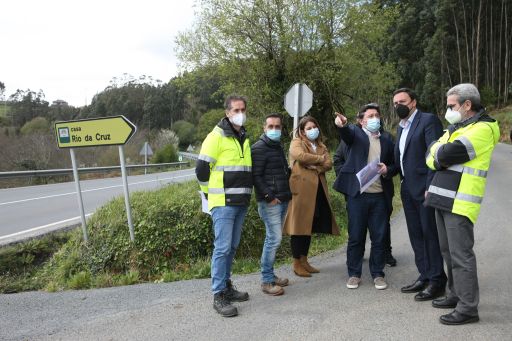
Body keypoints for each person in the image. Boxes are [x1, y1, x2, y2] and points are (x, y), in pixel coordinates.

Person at [425, 83, 500, 325]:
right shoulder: (457, 127)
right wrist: (438, 152)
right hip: (443, 197)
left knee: (461, 256)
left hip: (460, 201)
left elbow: (445, 154)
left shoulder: (484, 128)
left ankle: (468, 308)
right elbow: (430, 155)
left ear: (467, 105)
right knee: (448, 252)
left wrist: (439, 152)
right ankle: (455, 294)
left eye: (451, 106)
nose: (447, 110)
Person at [196, 95, 253, 317]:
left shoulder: (243, 137)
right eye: (236, 110)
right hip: (223, 203)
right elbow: (201, 170)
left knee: (231, 247)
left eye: (243, 109)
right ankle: (218, 294)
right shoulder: (216, 136)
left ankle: (227, 287)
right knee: (222, 248)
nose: (241, 113)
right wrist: (210, 196)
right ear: (227, 112)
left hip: (241, 202)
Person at [333, 103, 397, 290]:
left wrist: (388, 169)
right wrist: (342, 125)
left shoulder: (386, 139)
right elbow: (346, 133)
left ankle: (378, 274)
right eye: (370, 116)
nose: (375, 118)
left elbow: (395, 165)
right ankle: (354, 274)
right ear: (361, 121)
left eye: (377, 115)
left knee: (379, 237)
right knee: (356, 236)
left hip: (379, 196)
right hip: (358, 197)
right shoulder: (356, 135)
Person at [393, 88, 447, 301]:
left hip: (425, 188)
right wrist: (388, 169)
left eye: (402, 101)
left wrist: (430, 186)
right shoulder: (401, 127)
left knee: (429, 234)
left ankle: (437, 280)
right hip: (407, 188)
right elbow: (402, 158)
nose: (398, 105)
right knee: (416, 234)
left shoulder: (428, 120)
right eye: (395, 102)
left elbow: (434, 155)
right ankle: (424, 275)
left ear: (413, 102)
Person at [283, 116, 339, 277]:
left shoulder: (320, 145)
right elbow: (300, 156)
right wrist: (320, 159)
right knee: (298, 227)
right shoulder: (297, 142)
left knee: (308, 226)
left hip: (317, 190)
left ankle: (304, 260)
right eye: (308, 128)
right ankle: (296, 263)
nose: (312, 130)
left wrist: (317, 167)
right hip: (300, 190)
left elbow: (329, 164)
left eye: (314, 127)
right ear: (301, 131)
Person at [252, 113, 292, 296]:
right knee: (273, 239)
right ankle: (266, 281)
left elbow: (282, 172)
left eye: (278, 127)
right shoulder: (259, 148)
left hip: (282, 199)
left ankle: (271, 275)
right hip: (271, 203)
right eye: (271, 127)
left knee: (274, 238)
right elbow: (256, 176)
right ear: (264, 128)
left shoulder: (277, 146)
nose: (275, 130)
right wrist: (269, 196)